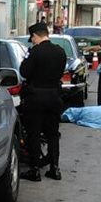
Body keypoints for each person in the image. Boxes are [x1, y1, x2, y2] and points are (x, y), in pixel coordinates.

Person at [19, 20, 67, 181]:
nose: (32, 41)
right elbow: (60, 72)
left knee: (33, 134)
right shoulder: (60, 51)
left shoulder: (35, 52)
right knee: (53, 134)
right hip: (54, 97)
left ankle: (34, 170)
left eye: (32, 38)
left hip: (36, 99)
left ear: (35, 36)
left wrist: (28, 56)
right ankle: (55, 168)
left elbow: (24, 72)